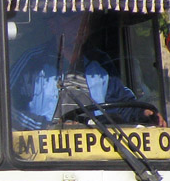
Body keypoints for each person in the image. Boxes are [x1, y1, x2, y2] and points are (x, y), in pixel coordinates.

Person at [10, 11, 154, 130]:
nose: (80, 25)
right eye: (71, 18)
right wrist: (47, 127)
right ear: (53, 25)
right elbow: (7, 108)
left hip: (94, 156)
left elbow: (123, 105)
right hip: (43, 156)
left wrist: (143, 113)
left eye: (82, 19)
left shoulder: (101, 63)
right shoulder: (33, 62)